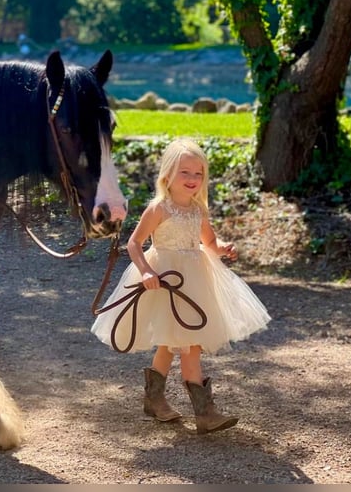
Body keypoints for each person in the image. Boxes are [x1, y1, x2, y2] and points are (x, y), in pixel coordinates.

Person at [91, 137, 271, 434]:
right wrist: (147, 272)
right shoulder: (159, 208)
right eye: (184, 172)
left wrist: (223, 247)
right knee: (187, 346)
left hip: (195, 281)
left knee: (175, 342)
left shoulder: (198, 210)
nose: (192, 179)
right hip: (165, 281)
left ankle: (155, 399)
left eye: (198, 173)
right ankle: (205, 413)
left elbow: (208, 243)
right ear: (168, 176)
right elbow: (134, 244)